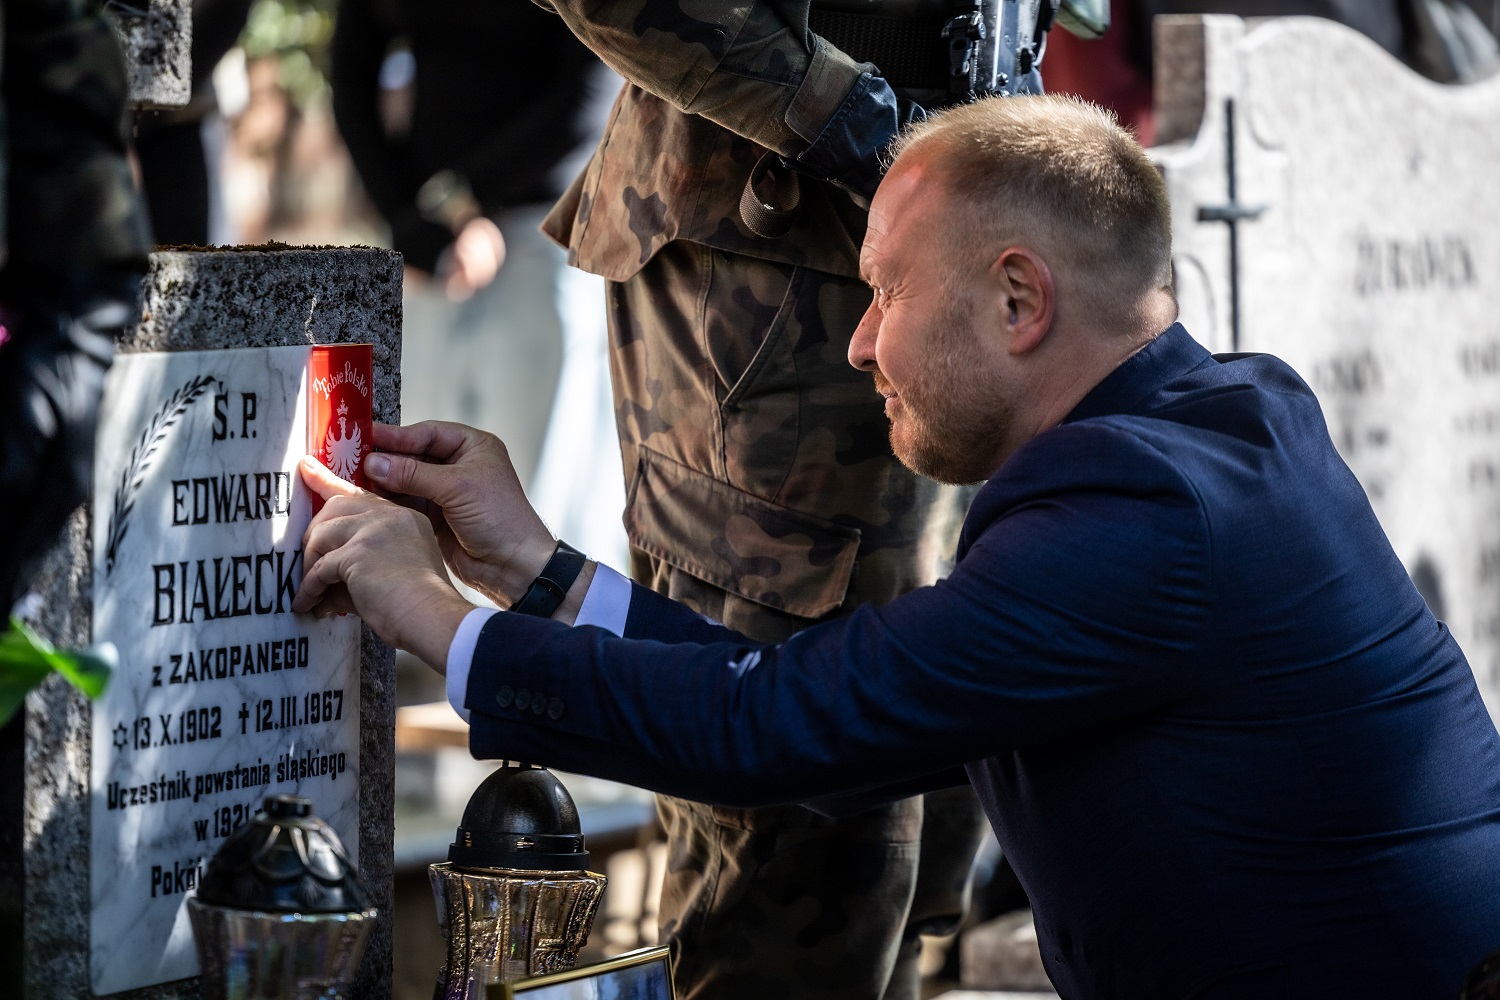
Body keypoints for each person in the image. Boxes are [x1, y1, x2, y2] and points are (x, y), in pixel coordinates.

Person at [293, 93, 1500, 997]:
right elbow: (820, 708)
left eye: (887, 290)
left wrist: (437, 616)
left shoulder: (1141, 512)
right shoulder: (1206, 426)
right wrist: (538, 572)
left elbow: (778, 726)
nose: (860, 342)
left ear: (1018, 300)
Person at [525, 0, 1110, 993]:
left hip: (978, 194)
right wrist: (851, 119)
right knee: (798, 850)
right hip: (780, 243)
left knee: (940, 809)